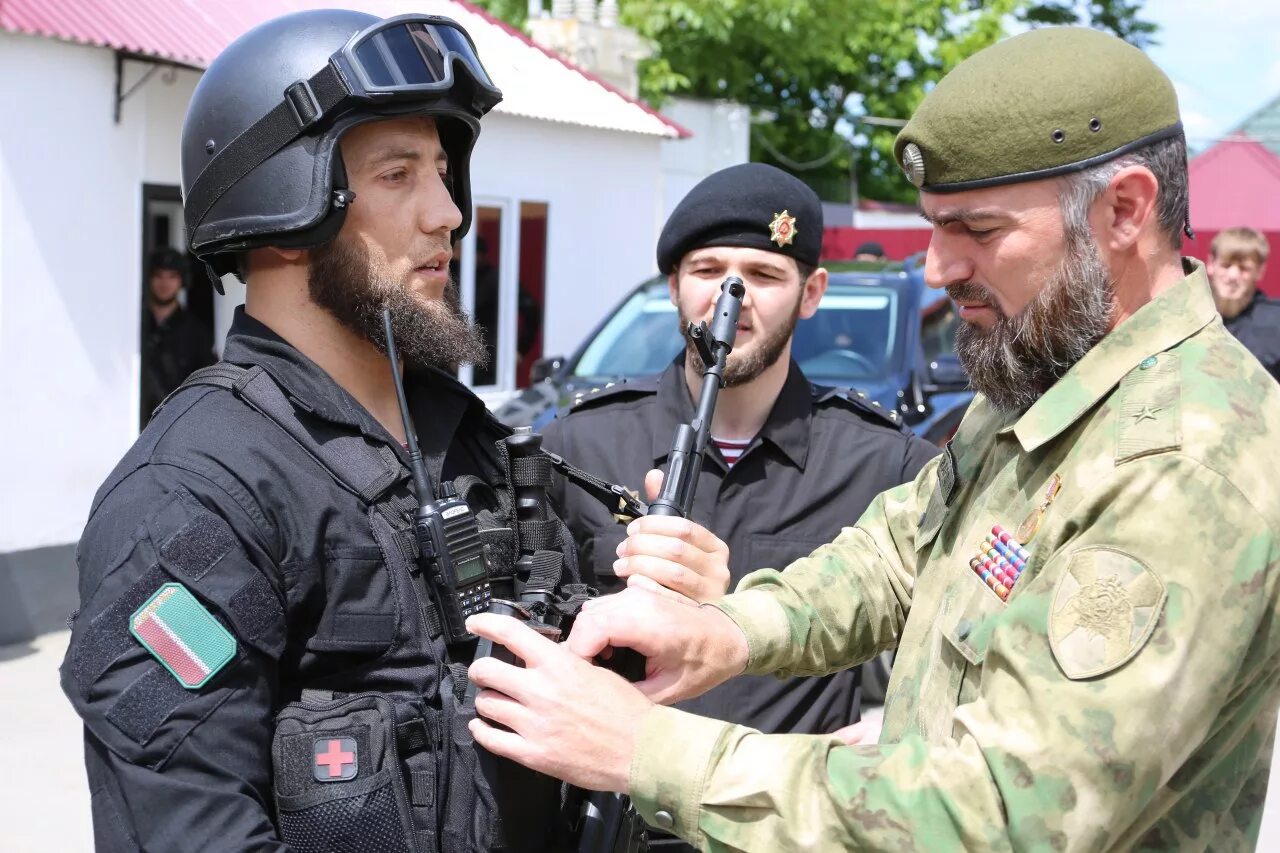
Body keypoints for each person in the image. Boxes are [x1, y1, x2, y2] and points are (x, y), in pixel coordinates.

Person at [463, 26, 1280, 851]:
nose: (937, 267)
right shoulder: (1055, 374)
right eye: (935, 227)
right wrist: (732, 633)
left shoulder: (1185, 459)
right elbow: (899, 552)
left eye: (979, 229)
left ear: (1125, 211)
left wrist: (645, 749)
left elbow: (1002, 816)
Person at [59, 10, 590, 850]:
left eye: (445, 172)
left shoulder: (466, 440)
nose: (447, 213)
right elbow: (191, 827)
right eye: (397, 175)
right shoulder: (191, 497)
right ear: (288, 204)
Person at [540, 163, 938, 753]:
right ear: (673, 286)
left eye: (763, 273)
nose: (734, 297)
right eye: (708, 270)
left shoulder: (884, 462)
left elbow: (986, 619)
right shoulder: (579, 445)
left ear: (812, 293)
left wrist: (911, 723)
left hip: (781, 819)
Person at [140, 247, 215, 424]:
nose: (164, 283)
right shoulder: (135, 326)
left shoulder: (196, 332)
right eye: (158, 275)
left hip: (176, 422)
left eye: (172, 276)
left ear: (182, 281)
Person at [1207, 227, 1280, 380]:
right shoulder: (1188, 313)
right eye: (1226, 265)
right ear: (1211, 264)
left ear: (1260, 271)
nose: (1233, 275)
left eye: (1244, 268)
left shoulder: (1276, 322)